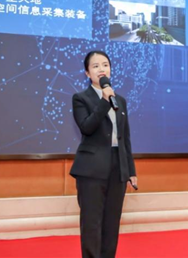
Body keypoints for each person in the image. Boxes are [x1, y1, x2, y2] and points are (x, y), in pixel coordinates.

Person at [70, 50, 137, 258]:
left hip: (118, 168)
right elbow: (87, 127)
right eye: (96, 66)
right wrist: (104, 101)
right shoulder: (81, 98)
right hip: (91, 169)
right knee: (92, 223)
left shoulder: (120, 101)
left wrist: (131, 170)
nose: (102, 69)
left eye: (105, 65)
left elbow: (125, 138)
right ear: (87, 73)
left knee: (112, 223)